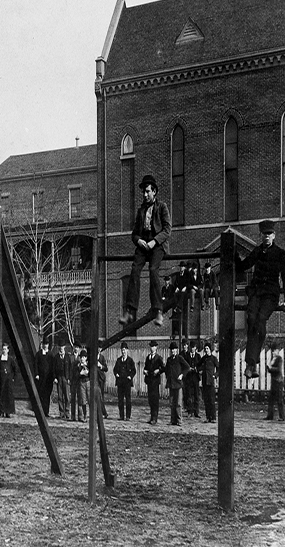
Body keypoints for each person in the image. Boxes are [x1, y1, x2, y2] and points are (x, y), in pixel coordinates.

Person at [235, 219, 285, 380]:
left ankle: (251, 363)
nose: (267, 237)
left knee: (260, 320)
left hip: (270, 296)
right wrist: (233, 254)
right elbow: (243, 266)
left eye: (269, 234)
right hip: (256, 293)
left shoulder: (280, 253)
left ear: (274, 235)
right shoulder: (257, 251)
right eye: (264, 234)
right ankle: (251, 365)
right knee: (251, 319)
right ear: (260, 235)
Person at [120, 174, 172, 327]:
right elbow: (134, 233)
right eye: (143, 192)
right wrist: (139, 240)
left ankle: (158, 311)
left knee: (153, 269)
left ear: (154, 191)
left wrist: (154, 241)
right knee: (135, 270)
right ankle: (130, 310)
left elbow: (167, 229)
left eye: (148, 191)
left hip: (157, 245)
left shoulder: (162, 207)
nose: (145, 194)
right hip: (143, 246)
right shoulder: (141, 210)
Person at [164, 341, 191, 426]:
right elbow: (166, 370)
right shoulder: (169, 360)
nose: (173, 351)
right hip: (171, 383)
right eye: (171, 349)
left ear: (177, 350)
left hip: (178, 384)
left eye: (174, 349)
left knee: (179, 403)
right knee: (172, 403)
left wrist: (182, 375)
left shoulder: (180, 358)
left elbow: (187, 367)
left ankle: (179, 420)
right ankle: (173, 420)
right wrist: (168, 377)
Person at [113, 341, 136, 420]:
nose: (123, 352)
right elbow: (115, 370)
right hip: (120, 382)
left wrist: (130, 376)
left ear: (127, 350)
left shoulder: (130, 360)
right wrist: (116, 374)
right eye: (122, 350)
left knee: (128, 400)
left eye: (124, 350)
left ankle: (128, 416)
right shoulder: (119, 360)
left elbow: (134, 370)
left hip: (127, 382)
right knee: (120, 400)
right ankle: (121, 416)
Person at [143, 340, 165, 425]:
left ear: (156, 347)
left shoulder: (159, 358)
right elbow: (145, 367)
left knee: (155, 400)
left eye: (153, 346)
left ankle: (155, 418)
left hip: (155, 381)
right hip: (149, 381)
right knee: (150, 400)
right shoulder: (148, 357)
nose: (152, 348)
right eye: (151, 346)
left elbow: (164, 368)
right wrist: (145, 371)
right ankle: (152, 417)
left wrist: (158, 371)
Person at [0, 343, 18, 418]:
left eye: (5, 349)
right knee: (1, 395)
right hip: (1, 381)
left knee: (8, 396)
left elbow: (15, 369)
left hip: (8, 381)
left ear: (8, 350)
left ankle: (8, 412)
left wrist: (13, 377)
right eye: (3, 349)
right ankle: (1, 411)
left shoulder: (11, 359)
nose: (4, 350)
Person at [34, 337, 54, 418]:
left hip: (48, 379)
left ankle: (46, 412)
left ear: (48, 345)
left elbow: (52, 367)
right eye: (44, 344)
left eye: (47, 344)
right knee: (41, 394)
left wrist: (52, 377)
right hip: (40, 378)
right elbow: (35, 365)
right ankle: (40, 412)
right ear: (42, 345)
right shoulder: (38, 354)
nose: (45, 346)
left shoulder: (51, 355)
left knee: (47, 395)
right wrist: (36, 374)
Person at [180, 339, 201, 418]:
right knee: (188, 394)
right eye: (191, 347)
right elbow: (184, 365)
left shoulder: (198, 356)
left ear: (196, 348)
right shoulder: (186, 356)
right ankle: (190, 411)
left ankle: (196, 411)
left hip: (195, 377)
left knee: (196, 394)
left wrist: (197, 369)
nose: (192, 349)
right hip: (188, 377)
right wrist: (188, 369)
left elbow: (201, 365)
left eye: (194, 347)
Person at [199, 342, 219, 423]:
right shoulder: (203, 358)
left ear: (210, 349)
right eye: (205, 349)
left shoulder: (214, 359)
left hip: (210, 382)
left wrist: (215, 375)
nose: (206, 350)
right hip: (204, 381)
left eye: (207, 348)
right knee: (206, 400)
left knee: (211, 400)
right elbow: (198, 365)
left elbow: (218, 368)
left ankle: (213, 417)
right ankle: (208, 417)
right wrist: (200, 370)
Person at [265, 345, 285, 421]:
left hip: (279, 381)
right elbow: (271, 370)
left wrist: (271, 368)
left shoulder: (279, 359)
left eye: (275, 351)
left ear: (278, 351)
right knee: (271, 399)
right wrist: (268, 368)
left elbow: (279, 369)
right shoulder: (272, 359)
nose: (273, 352)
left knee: (279, 399)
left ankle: (282, 416)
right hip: (274, 380)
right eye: (272, 351)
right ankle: (270, 416)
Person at [53, 343, 70, 419]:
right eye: (60, 346)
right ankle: (61, 412)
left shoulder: (67, 357)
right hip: (59, 378)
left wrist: (69, 378)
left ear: (64, 347)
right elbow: (53, 368)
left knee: (67, 396)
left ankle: (67, 412)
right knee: (60, 396)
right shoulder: (56, 357)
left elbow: (70, 368)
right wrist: (55, 377)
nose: (61, 348)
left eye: (62, 347)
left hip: (65, 378)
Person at [76, 344, 90, 422]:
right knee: (83, 400)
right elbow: (76, 375)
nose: (82, 359)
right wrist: (81, 373)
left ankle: (91, 415)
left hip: (88, 382)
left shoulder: (88, 366)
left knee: (90, 399)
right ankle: (84, 415)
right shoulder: (78, 366)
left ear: (86, 358)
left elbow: (90, 373)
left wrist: (87, 372)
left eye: (83, 357)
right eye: (81, 357)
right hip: (81, 383)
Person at [96, 344, 109, 419]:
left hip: (101, 379)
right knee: (97, 396)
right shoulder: (93, 357)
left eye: (100, 348)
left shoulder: (102, 357)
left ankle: (103, 412)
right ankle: (101, 412)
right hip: (95, 378)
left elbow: (106, 368)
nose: (99, 349)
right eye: (98, 347)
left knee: (101, 396)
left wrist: (101, 366)